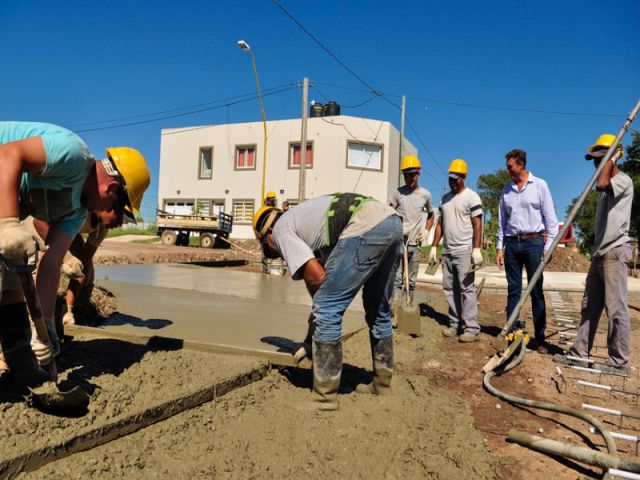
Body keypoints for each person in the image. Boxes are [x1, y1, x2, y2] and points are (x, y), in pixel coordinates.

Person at [0, 122, 149, 389]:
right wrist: (7, 224)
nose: (116, 224)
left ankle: (17, 359)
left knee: (12, 278)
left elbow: (52, 262)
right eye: (120, 214)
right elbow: (7, 155)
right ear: (112, 189)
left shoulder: (78, 212)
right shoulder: (72, 153)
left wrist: (44, 328)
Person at [253, 193, 402, 411]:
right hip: (392, 223)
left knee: (328, 308)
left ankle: (325, 397)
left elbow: (317, 280)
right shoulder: (304, 222)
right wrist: (309, 339)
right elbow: (319, 284)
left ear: (267, 235)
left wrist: (321, 315)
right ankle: (382, 384)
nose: (276, 251)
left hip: (366, 226)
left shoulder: (280, 230)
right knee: (377, 307)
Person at [554, 134, 633, 375]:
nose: (596, 164)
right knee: (590, 306)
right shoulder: (605, 186)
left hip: (615, 250)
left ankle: (619, 360)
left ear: (613, 156)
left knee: (616, 307)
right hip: (600, 253)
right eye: (595, 160)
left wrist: (612, 158)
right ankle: (580, 352)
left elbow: (601, 183)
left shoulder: (622, 181)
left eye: (601, 158)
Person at [496, 148, 558, 354]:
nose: (508, 171)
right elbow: (501, 222)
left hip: (534, 243)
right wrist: (499, 247)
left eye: (510, 167)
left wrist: (548, 247)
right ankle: (512, 334)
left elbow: (550, 219)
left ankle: (540, 339)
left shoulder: (540, 186)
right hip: (512, 245)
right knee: (513, 290)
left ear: (521, 165)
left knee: (536, 291)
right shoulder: (506, 191)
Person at [430, 159, 484, 342]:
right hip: (448, 251)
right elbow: (440, 224)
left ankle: (471, 327)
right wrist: (434, 246)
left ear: (464, 177)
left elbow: (477, 224)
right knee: (449, 289)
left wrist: (476, 249)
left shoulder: (472, 197)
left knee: (467, 289)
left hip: (464, 250)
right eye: (450, 178)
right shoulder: (445, 199)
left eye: (456, 178)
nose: (452, 182)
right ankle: (455, 323)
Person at [390, 155, 434, 305]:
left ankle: (407, 307)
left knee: (412, 280)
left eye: (411, 175)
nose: (408, 178)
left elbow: (431, 214)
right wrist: (398, 227)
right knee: (396, 279)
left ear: (418, 173)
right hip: (399, 243)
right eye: (406, 175)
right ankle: (396, 310)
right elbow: (389, 213)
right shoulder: (397, 193)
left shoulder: (425, 195)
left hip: (415, 244)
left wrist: (427, 230)